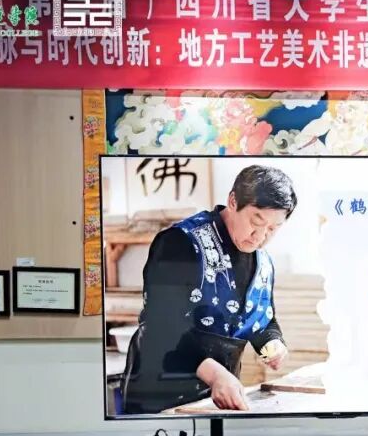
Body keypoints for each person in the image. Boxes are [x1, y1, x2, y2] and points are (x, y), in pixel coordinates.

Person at [122, 165, 296, 414]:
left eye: (272, 228)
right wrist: (215, 375)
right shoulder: (180, 242)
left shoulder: (263, 261)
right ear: (233, 201)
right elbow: (160, 325)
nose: (260, 236)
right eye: (256, 221)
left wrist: (273, 342)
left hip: (220, 394)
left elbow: (261, 320)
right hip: (161, 388)